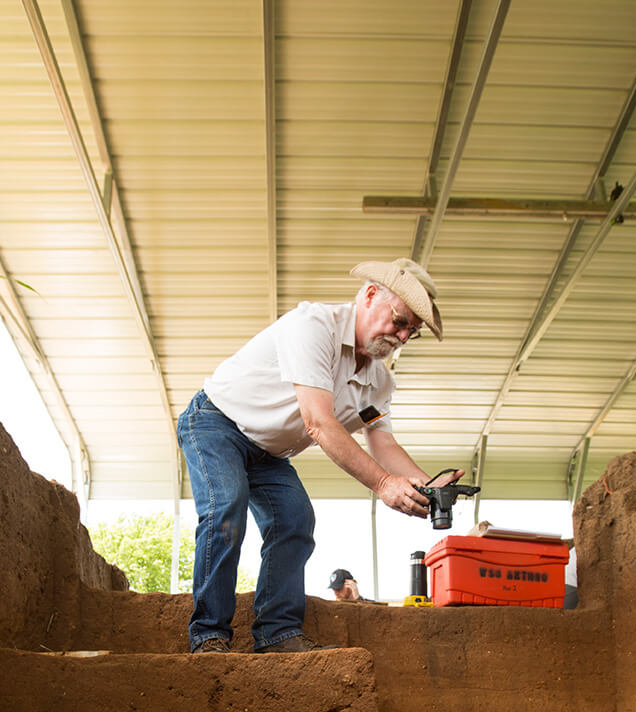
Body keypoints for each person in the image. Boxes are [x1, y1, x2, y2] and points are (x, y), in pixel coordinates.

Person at [177, 257, 464, 654]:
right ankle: (209, 634)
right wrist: (382, 483)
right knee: (227, 506)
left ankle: (276, 632)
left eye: (410, 333)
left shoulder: (378, 382)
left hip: (268, 452)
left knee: (295, 520)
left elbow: (382, 442)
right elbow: (318, 422)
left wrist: (427, 484)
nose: (400, 336)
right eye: (400, 321)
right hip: (216, 422)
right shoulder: (313, 327)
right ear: (369, 295)